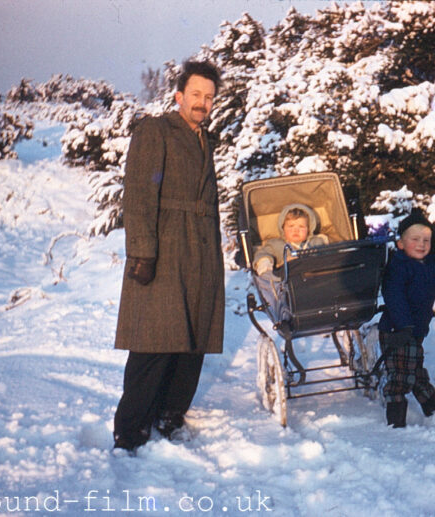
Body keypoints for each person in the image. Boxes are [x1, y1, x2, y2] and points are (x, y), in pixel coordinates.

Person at [112, 60, 225, 452]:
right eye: (196, 94)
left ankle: (169, 414)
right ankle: (130, 429)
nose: (202, 103)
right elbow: (140, 194)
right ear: (179, 96)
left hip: (201, 251)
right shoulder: (156, 131)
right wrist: (142, 252)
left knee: (191, 340)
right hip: (165, 247)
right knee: (153, 342)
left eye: (209, 97)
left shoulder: (206, 140)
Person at [377, 209, 435, 427]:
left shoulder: (429, 264)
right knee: (400, 379)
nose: (422, 244)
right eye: (415, 239)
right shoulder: (397, 267)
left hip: (415, 332)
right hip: (397, 332)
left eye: (426, 240)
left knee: (417, 376)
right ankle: (396, 423)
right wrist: (404, 327)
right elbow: (395, 297)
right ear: (401, 244)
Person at [252, 203, 329, 277]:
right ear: (283, 228)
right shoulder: (276, 245)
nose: (296, 230)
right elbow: (262, 253)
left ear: (309, 229)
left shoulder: (316, 242)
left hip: (314, 276)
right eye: (291, 226)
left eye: (301, 227)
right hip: (288, 279)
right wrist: (265, 262)